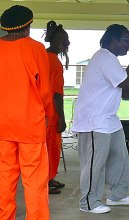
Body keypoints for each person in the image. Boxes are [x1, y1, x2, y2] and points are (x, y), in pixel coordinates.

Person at [71, 24, 129, 214]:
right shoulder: (104, 57)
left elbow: (116, 88)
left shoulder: (109, 59)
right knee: (94, 164)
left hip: (108, 120)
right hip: (94, 120)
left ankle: (117, 194)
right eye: (126, 40)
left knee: (119, 157)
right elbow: (125, 81)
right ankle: (88, 202)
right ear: (113, 40)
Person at [0, 5, 53, 220]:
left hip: (2, 124)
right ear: (28, 26)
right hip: (30, 124)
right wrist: (48, 114)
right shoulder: (36, 48)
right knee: (34, 180)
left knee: (5, 176)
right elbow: (45, 89)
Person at [44, 20, 70, 194]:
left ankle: (48, 179)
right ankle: (46, 181)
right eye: (65, 42)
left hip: (39, 113)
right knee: (51, 150)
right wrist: (61, 118)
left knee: (44, 150)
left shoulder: (40, 56)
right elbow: (57, 94)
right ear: (56, 42)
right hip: (51, 115)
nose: (66, 45)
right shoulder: (54, 62)